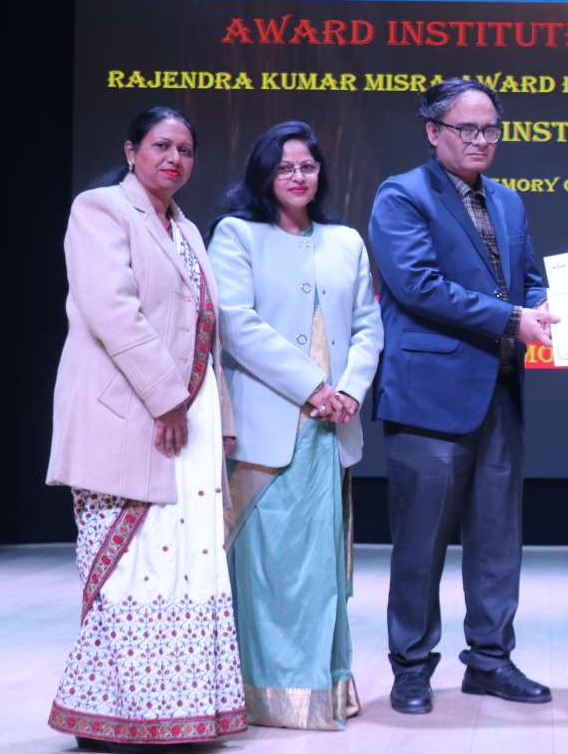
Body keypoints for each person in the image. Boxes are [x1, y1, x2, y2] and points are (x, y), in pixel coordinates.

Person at [46, 107, 247, 750]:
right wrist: (167, 401)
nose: (174, 159)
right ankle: (110, 715)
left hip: (187, 419)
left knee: (187, 566)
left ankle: (177, 711)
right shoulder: (100, 210)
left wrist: (221, 420)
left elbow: (208, 330)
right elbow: (114, 312)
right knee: (128, 568)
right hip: (129, 415)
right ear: (132, 151)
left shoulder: (185, 228)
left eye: (185, 150)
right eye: (162, 145)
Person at [369, 78, 557, 714]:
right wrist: (513, 318)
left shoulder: (507, 201)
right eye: (466, 129)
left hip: (499, 391)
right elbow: (418, 285)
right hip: (428, 397)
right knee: (420, 545)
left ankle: (490, 661)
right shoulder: (402, 195)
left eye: (489, 129)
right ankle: (411, 667)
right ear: (434, 132)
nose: (481, 140)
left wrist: (549, 311)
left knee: (498, 541)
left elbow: (528, 280)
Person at [207, 121, 383, 730]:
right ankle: (261, 694)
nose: (298, 176)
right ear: (264, 174)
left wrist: (349, 391)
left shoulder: (345, 241)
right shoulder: (237, 235)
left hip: (333, 430)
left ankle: (322, 691)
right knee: (267, 570)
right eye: (285, 166)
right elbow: (236, 323)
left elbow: (368, 327)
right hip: (267, 430)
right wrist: (313, 387)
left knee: (321, 572)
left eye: (308, 165)